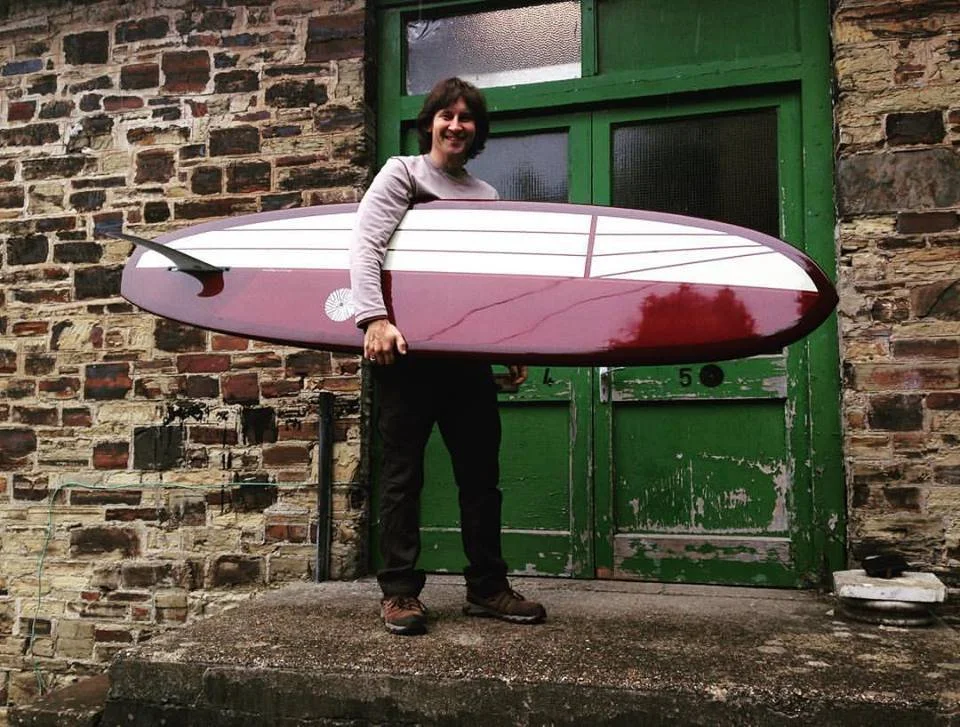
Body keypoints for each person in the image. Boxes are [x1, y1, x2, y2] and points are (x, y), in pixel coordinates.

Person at [349, 77, 547, 636]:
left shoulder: (485, 196)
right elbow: (365, 246)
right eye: (446, 115)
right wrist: (374, 319)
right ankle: (399, 593)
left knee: (481, 477)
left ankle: (488, 588)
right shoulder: (402, 174)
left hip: (466, 357)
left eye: (467, 118)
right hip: (406, 354)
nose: (456, 125)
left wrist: (510, 341)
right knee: (400, 477)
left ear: (478, 130)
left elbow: (485, 280)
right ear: (429, 122)